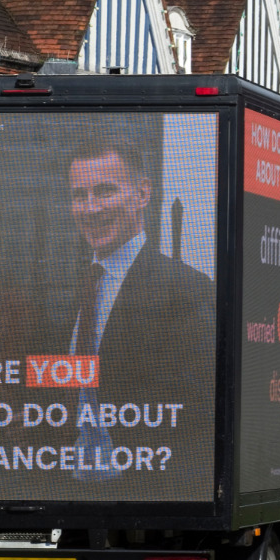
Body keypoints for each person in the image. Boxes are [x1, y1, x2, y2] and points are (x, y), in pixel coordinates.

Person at [59, 134, 215, 481]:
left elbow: (195, 411)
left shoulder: (187, 290)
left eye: (104, 191)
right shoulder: (69, 290)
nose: (90, 208)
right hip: (65, 489)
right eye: (78, 196)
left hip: (140, 489)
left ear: (142, 194)